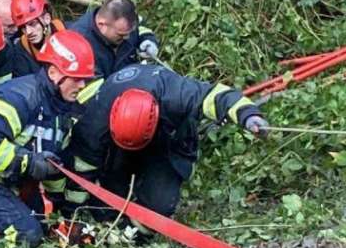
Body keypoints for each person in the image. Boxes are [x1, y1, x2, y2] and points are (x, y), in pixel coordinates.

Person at [65, 64, 269, 239]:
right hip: (117, 147)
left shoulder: (176, 94)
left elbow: (216, 95)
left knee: (159, 207)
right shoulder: (95, 119)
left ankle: (133, 235)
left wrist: (248, 116)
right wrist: (72, 214)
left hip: (167, 140)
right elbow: (82, 168)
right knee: (106, 202)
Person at [0, 30, 95, 248]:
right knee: (27, 235)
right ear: (54, 73)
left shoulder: (62, 110)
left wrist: (61, 209)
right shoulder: (19, 97)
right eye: (77, 79)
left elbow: (52, 164)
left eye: (85, 80)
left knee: (44, 229)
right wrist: (31, 162)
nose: (82, 86)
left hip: (9, 179)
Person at [68, 0, 159, 79]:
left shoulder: (126, 22)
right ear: (102, 25)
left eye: (129, 32)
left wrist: (147, 40)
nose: (127, 37)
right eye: (121, 35)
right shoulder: (79, 44)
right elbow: (90, 91)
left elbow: (141, 29)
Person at [8, 0, 67, 78]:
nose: (28, 32)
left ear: (47, 19)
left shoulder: (70, 33)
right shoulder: (21, 51)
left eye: (32, 24)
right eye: (23, 27)